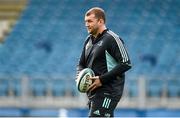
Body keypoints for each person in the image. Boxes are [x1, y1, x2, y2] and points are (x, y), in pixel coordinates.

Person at [76, 7, 132, 117]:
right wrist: (80, 76)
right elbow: (81, 63)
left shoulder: (112, 38)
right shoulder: (88, 40)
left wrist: (102, 79)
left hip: (108, 92)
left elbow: (126, 63)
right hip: (93, 93)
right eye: (85, 22)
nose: (86, 24)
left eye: (90, 21)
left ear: (100, 21)